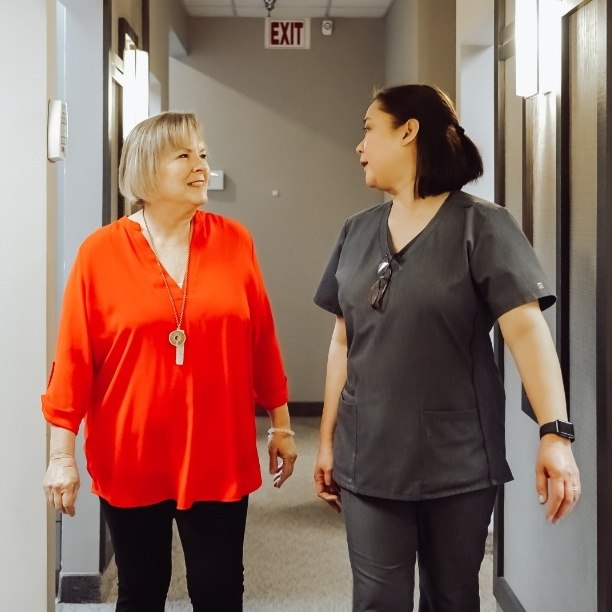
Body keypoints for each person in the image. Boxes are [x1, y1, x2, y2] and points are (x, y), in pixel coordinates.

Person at [313, 84, 580, 612]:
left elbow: (526, 332)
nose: (360, 144)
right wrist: (326, 441)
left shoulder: (482, 225)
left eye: (369, 128)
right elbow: (343, 339)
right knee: (376, 601)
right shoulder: (356, 232)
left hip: (456, 459)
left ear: (409, 131)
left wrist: (556, 434)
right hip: (367, 453)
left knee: (452, 598)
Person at [42, 111, 297, 612]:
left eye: (202, 153)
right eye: (184, 155)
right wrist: (60, 457)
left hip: (217, 450)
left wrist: (281, 425)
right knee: (141, 590)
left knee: (220, 590)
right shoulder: (99, 253)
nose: (201, 165)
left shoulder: (234, 241)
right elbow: (73, 358)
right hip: (131, 453)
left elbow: (262, 339)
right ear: (145, 170)